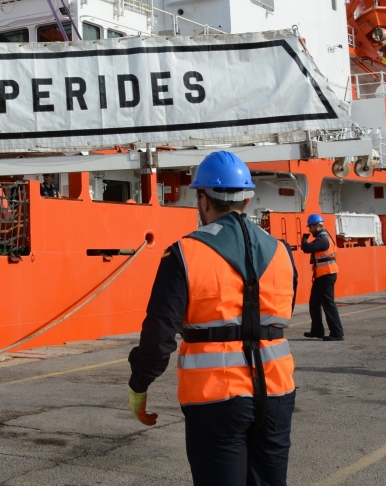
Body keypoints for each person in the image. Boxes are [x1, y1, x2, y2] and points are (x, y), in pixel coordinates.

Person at [128, 151, 297, 485]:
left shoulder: (183, 253)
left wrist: (139, 384)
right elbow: (282, 312)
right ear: (247, 199)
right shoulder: (282, 251)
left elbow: (159, 334)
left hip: (216, 398)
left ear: (202, 199)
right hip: (278, 393)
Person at [300, 214, 344, 340]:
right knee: (314, 303)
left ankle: (337, 333)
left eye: (310, 227)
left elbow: (307, 248)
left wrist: (304, 239)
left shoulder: (322, 239)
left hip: (326, 275)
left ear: (317, 226)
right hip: (322, 275)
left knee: (328, 304)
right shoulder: (323, 237)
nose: (309, 230)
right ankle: (317, 331)